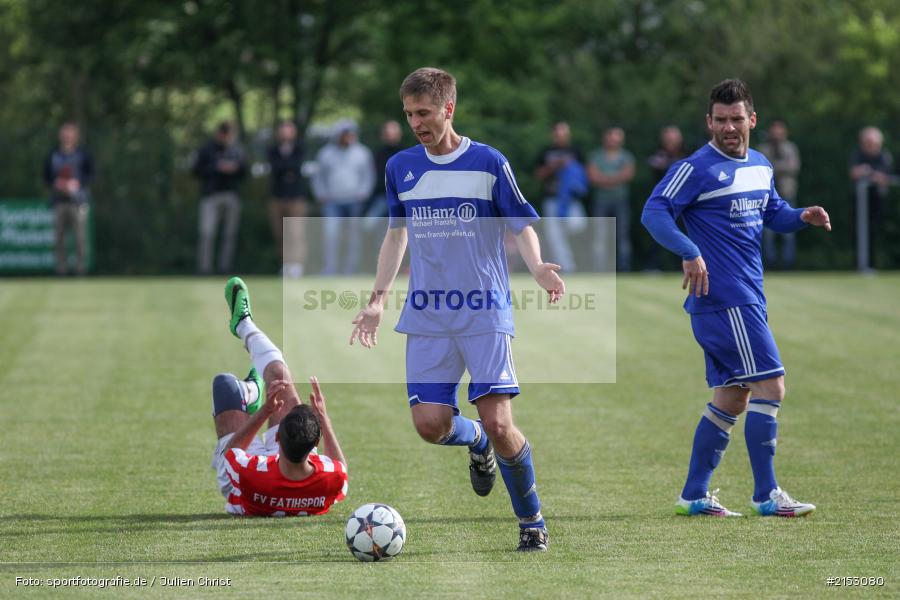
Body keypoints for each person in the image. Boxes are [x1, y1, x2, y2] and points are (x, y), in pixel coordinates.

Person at [348, 67, 565, 551]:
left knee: (501, 422)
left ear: (448, 109)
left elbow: (521, 223)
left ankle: (531, 520)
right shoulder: (400, 167)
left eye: (423, 112)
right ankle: (477, 444)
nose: (415, 123)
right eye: (408, 114)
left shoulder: (488, 162)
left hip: (485, 312)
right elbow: (396, 234)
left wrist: (537, 267)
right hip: (428, 314)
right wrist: (377, 301)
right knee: (430, 425)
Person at [641, 79, 831, 518]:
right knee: (771, 385)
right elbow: (654, 212)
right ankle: (767, 496)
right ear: (709, 122)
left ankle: (693, 495)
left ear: (752, 120)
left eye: (737, 119)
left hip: (745, 298)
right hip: (727, 299)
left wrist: (801, 216)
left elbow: (773, 214)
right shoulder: (696, 167)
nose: (729, 127)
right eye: (721, 120)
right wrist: (689, 251)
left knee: (732, 398)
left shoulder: (761, 165)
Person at [212, 276, 348, 516]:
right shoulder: (330, 479)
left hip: (240, 477)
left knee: (225, 385)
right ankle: (243, 323)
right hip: (275, 468)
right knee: (276, 374)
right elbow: (341, 469)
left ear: (278, 440)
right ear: (315, 444)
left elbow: (231, 455)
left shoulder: (249, 473)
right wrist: (323, 419)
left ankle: (251, 394)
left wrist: (264, 412)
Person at [312, 119, 376, 275]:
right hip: (332, 202)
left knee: (354, 237)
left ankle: (351, 270)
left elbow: (368, 176)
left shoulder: (363, 152)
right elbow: (318, 177)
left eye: (351, 133)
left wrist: (364, 192)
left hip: (355, 201)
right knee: (330, 235)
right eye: (345, 134)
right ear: (338, 135)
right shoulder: (325, 153)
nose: (349, 136)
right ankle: (330, 269)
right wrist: (320, 194)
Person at [193, 122, 247, 275]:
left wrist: (234, 169)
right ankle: (205, 269)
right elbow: (196, 170)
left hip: (231, 195)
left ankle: (225, 267)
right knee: (207, 232)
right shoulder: (207, 149)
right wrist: (216, 168)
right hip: (211, 195)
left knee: (229, 234)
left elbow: (244, 171)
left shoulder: (237, 150)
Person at [533, 122, 587, 272]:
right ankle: (567, 268)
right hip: (552, 198)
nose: (561, 137)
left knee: (578, 225)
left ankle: (574, 259)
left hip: (571, 199)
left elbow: (584, 173)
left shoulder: (576, 151)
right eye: (558, 134)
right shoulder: (546, 152)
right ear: (553, 135)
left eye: (564, 134)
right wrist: (554, 166)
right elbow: (538, 175)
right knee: (555, 236)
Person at [43, 122, 95, 276]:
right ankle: (61, 270)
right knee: (59, 239)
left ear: (75, 136)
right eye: (64, 134)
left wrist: (78, 183)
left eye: (70, 134)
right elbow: (46, 176)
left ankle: (80, 270)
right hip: (59, 202)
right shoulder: (53, 154)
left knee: (80, 238)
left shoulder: (83, 154)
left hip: (78, 201)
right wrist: (56, 183)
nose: (67, 137)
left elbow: (91, 174)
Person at [587, 126, 635, 271]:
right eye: (610, 136)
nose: (613, 140)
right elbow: (593, 176)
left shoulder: (626, 156)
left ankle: (624, 269)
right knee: (599, 237)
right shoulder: (596, 156)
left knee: (622, 236)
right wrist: (616, 178)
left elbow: (628, 175)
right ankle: (599, 270)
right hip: (601, 201)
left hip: (621, 201)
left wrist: (605, 178)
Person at [757, 120, 801, 269]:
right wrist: (781, 166)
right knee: (767, 233)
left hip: (787, 193)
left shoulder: (790, 148)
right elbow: (761, 169)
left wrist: (774, 166)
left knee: (789, 231)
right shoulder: (762, 149)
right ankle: (770, 263)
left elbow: (794, 167)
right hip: (766, 196)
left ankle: (789, 264)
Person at [267, 120, 308, 278]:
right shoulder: (272, 150)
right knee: (280, 233)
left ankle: (297, 264)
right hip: (277, 197)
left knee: (295, 232)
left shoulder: (300, 148)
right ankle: (285, 264)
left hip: (296, 197)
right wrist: (287, 169)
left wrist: (286, 168)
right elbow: (276, 168)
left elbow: (296, 167)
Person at [849, 126, 894, 269]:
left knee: (873, 232)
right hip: (860, 199)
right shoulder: (858, 154)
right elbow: (853, 173)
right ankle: (858, 265)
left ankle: (872, 264)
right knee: (857, 232)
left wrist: (869, 173)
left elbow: (884, 176)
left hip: (877, 200)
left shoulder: (884, 156)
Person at [646, 126, 687, 271]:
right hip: (661, 202)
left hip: (682, 202)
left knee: (682, 235)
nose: (671, 141)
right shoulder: (657, 153)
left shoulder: (687, 153)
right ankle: (653, 266)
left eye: (673, 138)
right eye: (668, 138)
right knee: (657, 234)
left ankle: (682, 266)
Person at [364, 120, 404, 230]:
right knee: (368, 225)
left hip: (400, 198)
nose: (389, 136)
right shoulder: (378, 153)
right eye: (387, 133)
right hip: (381, 197)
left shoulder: (405, 154)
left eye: (392, 132)